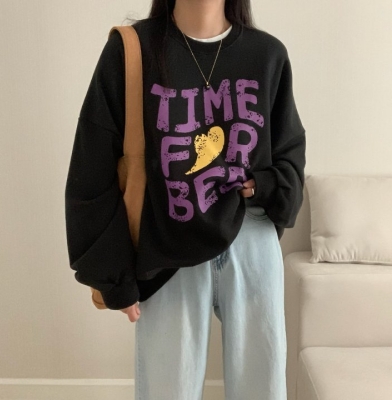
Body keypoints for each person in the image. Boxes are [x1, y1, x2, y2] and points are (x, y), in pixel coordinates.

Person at [65, 0, 306, 398]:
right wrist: (114, 277)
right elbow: (92, 168)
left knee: (262, 389)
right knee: (167, 390)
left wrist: (262, 184)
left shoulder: (267, 54)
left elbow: (289, 155)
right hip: (166, 242)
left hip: (250, 234)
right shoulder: (133, 49)